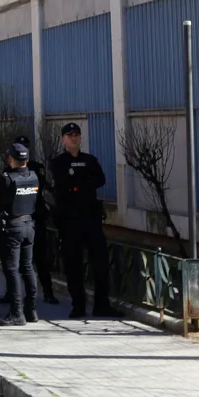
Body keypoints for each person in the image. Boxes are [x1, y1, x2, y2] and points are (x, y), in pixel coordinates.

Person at [49, 123, 118, 319]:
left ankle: (101, 305)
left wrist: (79, 185)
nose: (74, 138)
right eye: (70, 135)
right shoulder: (59, 162)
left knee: (101, 263)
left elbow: (100, 179)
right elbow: (63, 185)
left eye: (77, 135)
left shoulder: (89, 160)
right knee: (73, 264)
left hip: (91, 220)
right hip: (70, 221)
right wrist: (82, 184)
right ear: (63, 139)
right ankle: (78, 305)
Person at [0, 135, 58, 310]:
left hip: (32, 218)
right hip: (23, 220)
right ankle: (16, 297)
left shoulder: (35, 169)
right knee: (17, 264)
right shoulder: (9, 171)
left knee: (36, 260)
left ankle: (47, 292)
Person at [0, 143, 40, 326]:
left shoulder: (6, 179)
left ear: (10, 159)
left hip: (12, 227)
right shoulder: (34, 177)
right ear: (27, 160)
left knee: (12, 270)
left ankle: (17, 313)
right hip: (29, 225)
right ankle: (31, 310)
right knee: (28, 268)